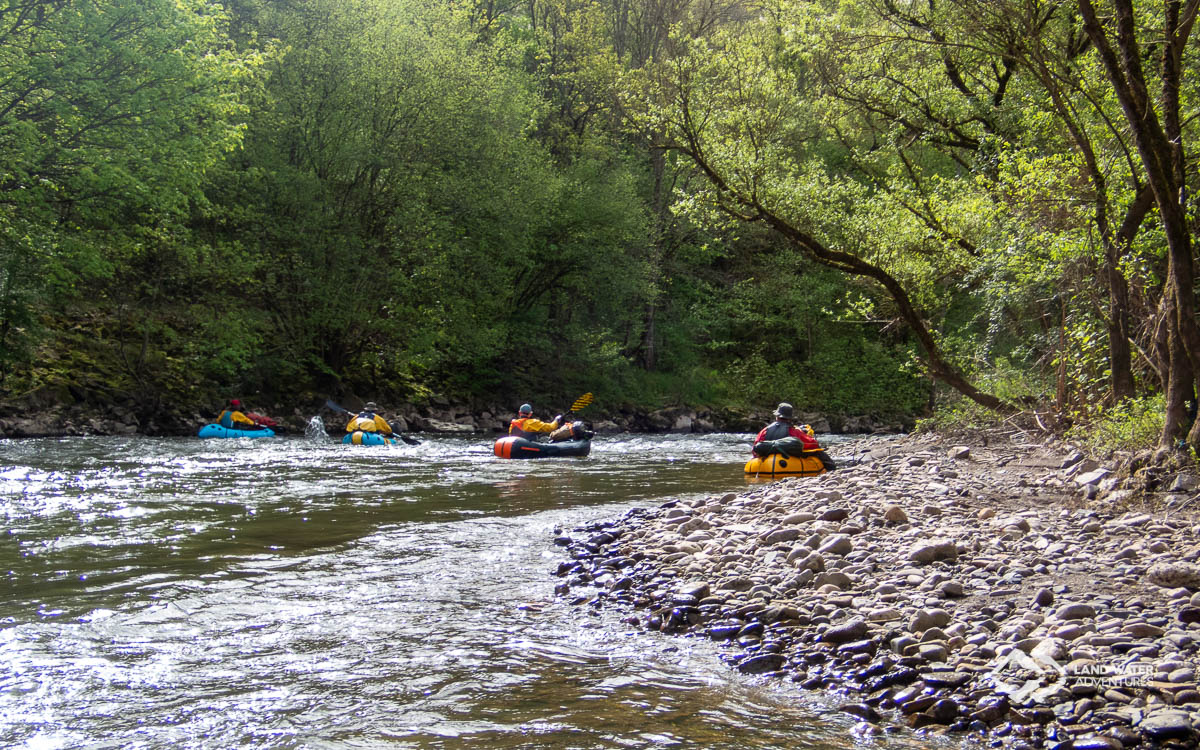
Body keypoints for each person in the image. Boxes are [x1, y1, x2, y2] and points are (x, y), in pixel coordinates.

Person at [753, 402, 835, 470]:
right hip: (787, 462)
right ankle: (832, 470)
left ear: (777, 416)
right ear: (789, 418)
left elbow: (755, 449)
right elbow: (813, 444)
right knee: (819, 452)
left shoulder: (764, 431)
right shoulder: (794, 431)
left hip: (765, 464)